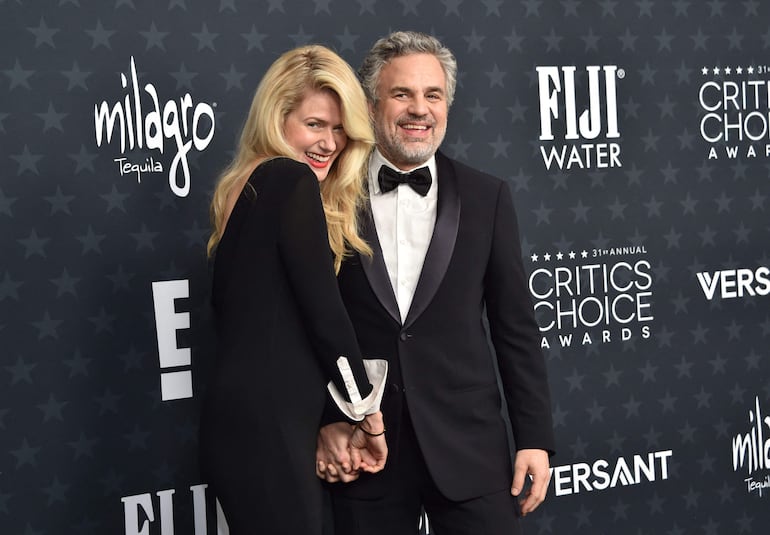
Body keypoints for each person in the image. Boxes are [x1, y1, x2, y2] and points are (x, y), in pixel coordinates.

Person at [315, 31, 555, 535]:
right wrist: (325, 422)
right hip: (364, 449)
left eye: (433, 95)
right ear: (371, 104)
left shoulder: (487, 197)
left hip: (470, 448)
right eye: (402, 94)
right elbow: (304, 327)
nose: (419, 109)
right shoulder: (328, 195)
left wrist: (534, 437)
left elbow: (515, 328)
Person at [199, 45, 389, 535]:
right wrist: (368, 416)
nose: (329, 142)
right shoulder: (288, 178)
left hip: (249, 425)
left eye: (339, 128)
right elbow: (324, 317)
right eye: (314, 124)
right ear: (276, 118)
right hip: (270, 430)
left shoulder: (243, 186)